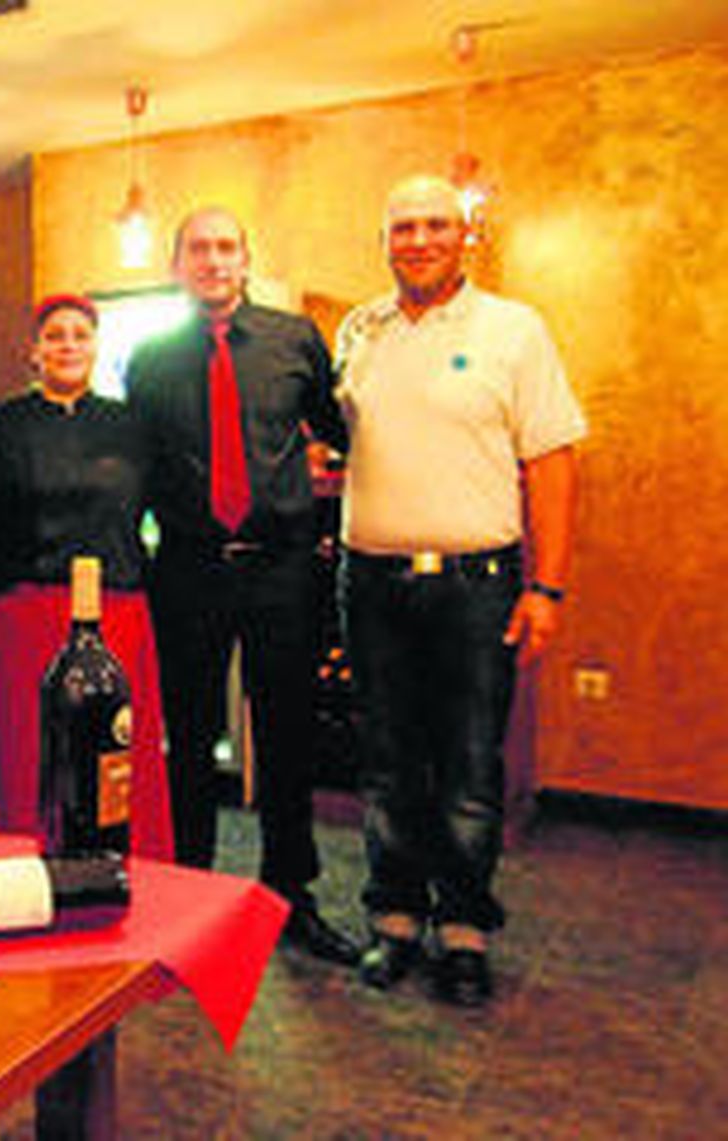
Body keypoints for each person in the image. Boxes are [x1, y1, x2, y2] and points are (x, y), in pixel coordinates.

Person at [336, 175, 585, 1006]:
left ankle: (465, 928)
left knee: (472, 764)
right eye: (402, 226)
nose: (418, 239)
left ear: (463, 235)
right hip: (369, 582)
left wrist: (545, 586)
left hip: (478, 584)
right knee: (387, 763)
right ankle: (396, 920)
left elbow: (551, 458)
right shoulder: (358, 330)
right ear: (385, 239)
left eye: (435, 224)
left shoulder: (514, 329)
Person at [126, 207, 359, 965]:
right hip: (188, 566)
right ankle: (191, 898)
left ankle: (291, 896)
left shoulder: (296, 340)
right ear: (176, 264)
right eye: (198, 248)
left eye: (226, 247)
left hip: (280, 565)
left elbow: (338, 430)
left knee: (287, 737)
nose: (213, 260)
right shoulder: (150, 358)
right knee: (188, 739)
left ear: (246, 259)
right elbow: (136, 465)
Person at [0, 294, 175, 859]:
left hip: (118, 614)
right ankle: (18, 871)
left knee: (113, 758)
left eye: (80, 335)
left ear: (96, 346)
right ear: (34, 351)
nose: (67, 345)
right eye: (54, 335)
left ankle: (124, 868)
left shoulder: (133, 427)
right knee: (26, 756)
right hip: (22, 614)